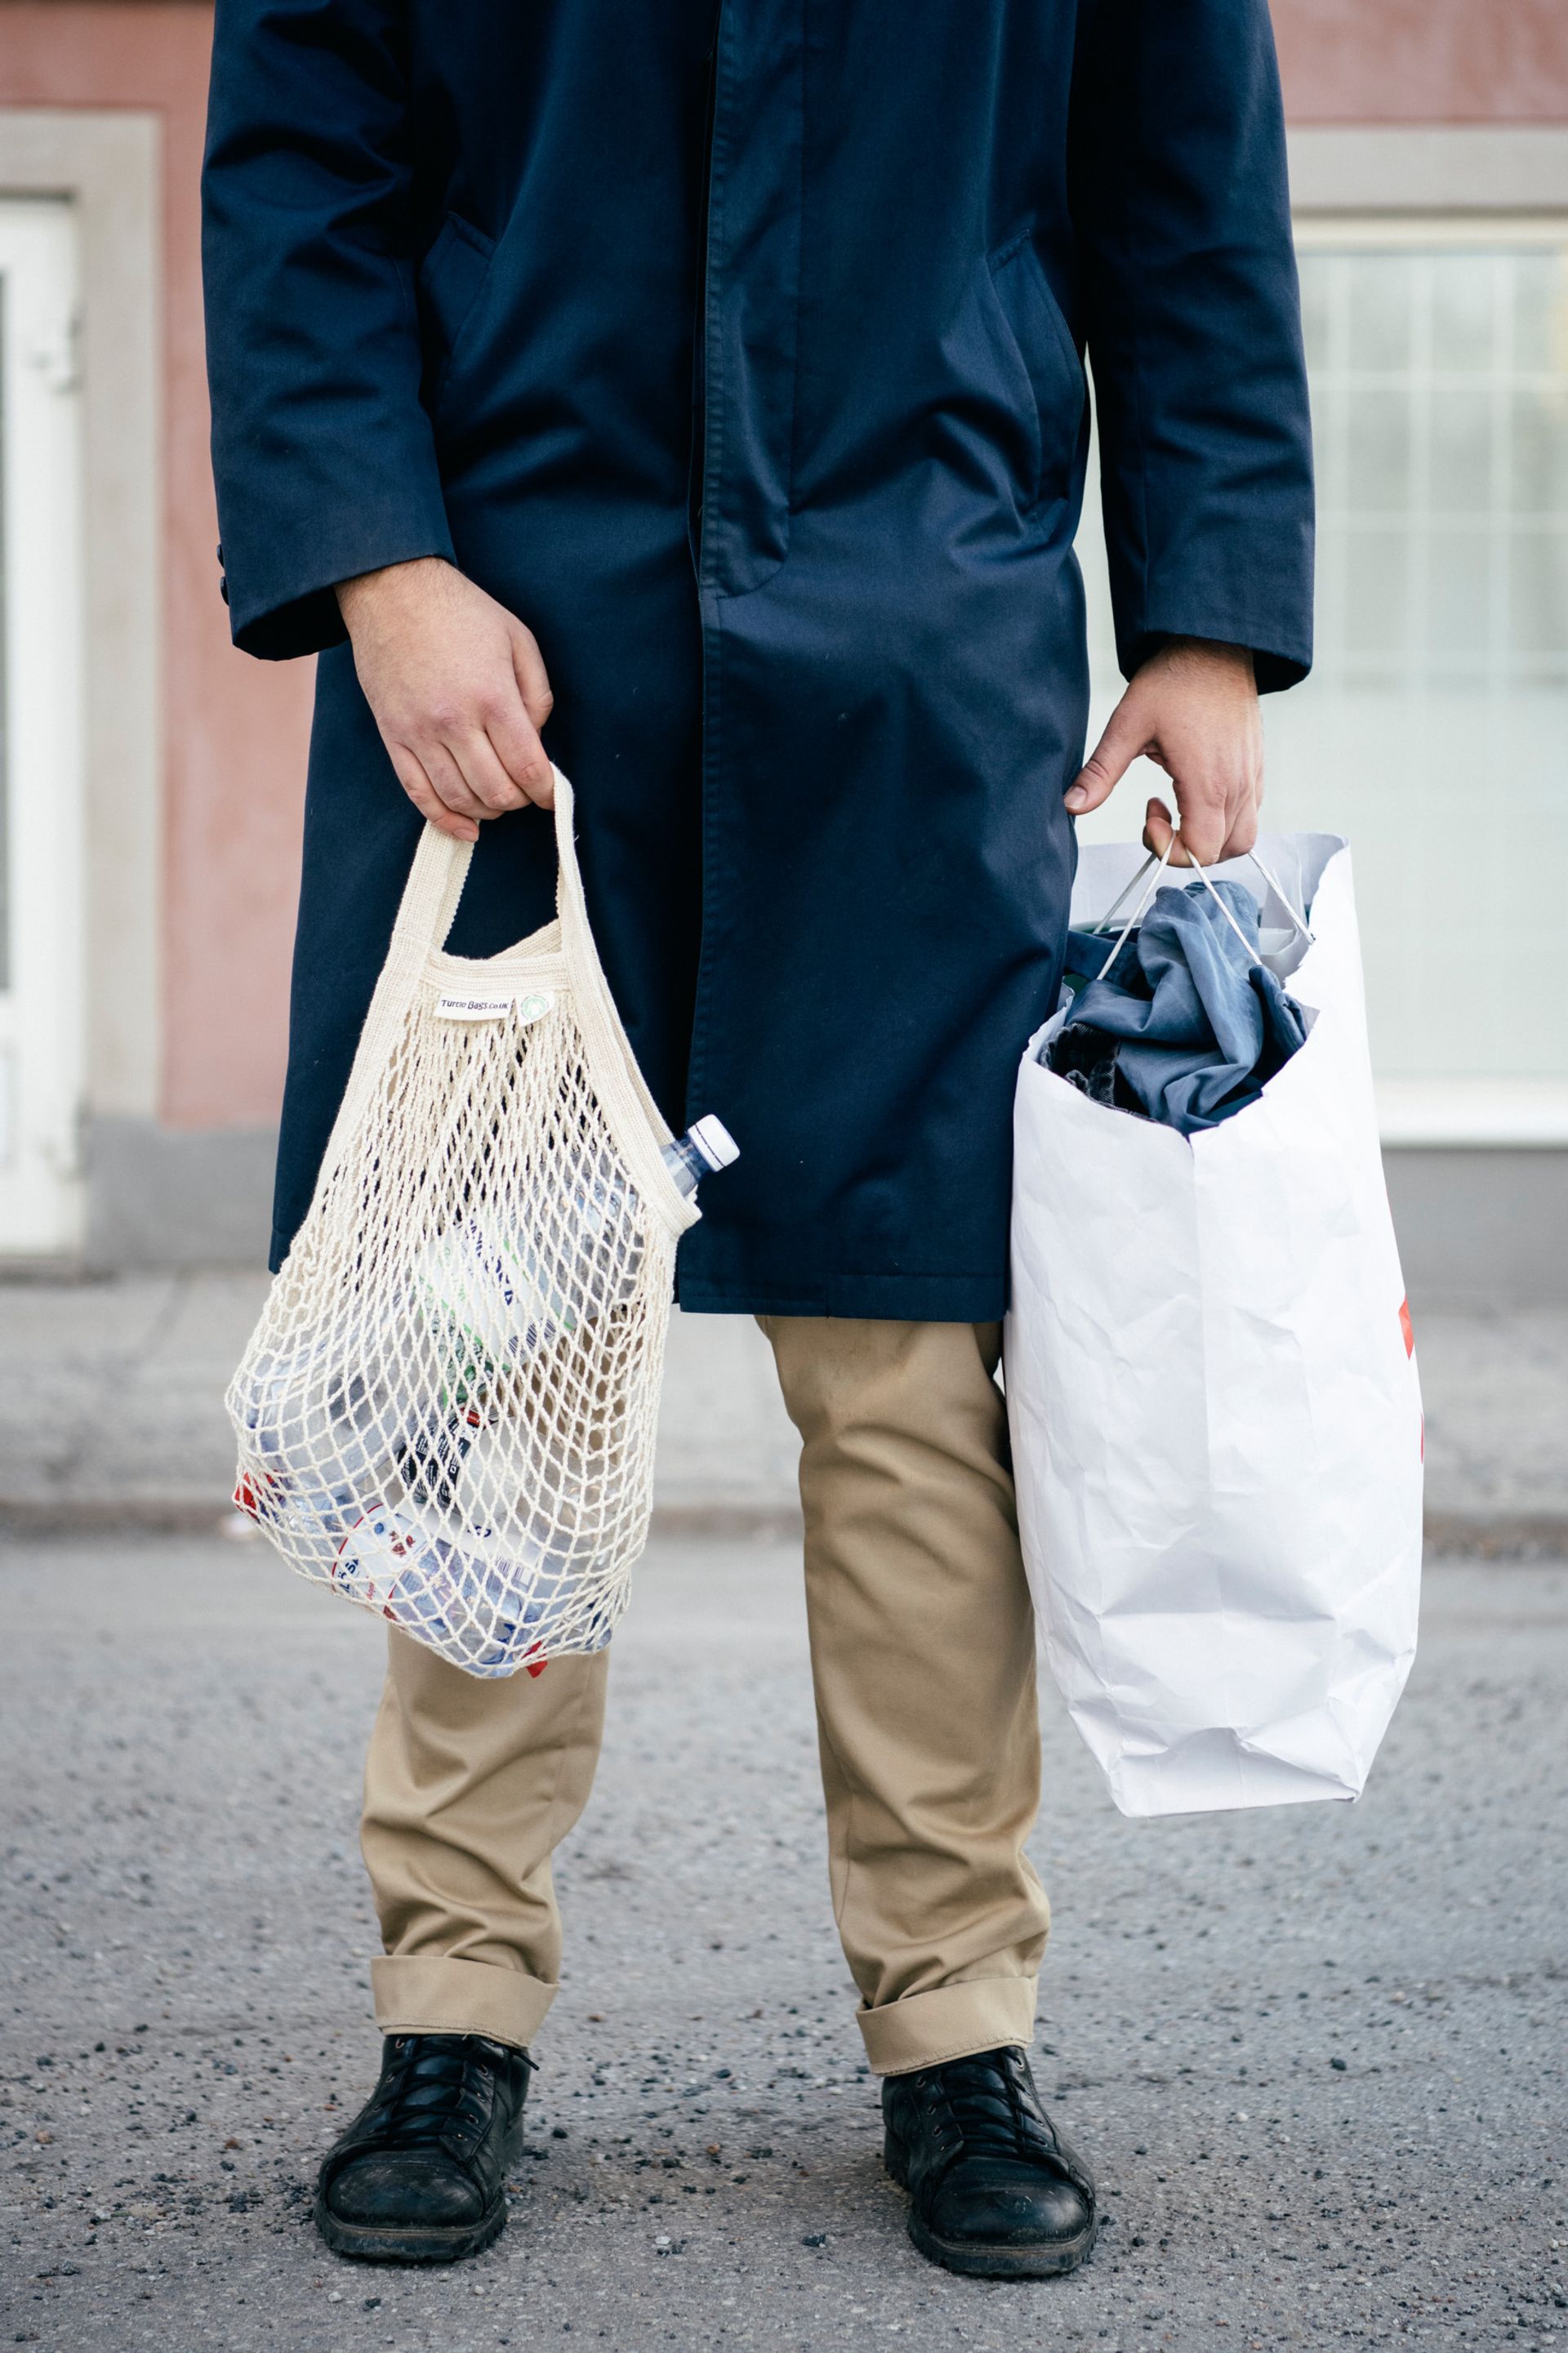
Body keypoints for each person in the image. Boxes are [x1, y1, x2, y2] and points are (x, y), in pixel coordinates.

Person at [201, 0, 1312, 2281]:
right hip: (516, 649)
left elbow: (1180, 185)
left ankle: (955, 2027)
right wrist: (380, 568)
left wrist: (1206, 611)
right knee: (493, 1350)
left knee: (916, 1381)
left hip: (918, 642)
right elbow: (304, 157)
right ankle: (455, 2008)